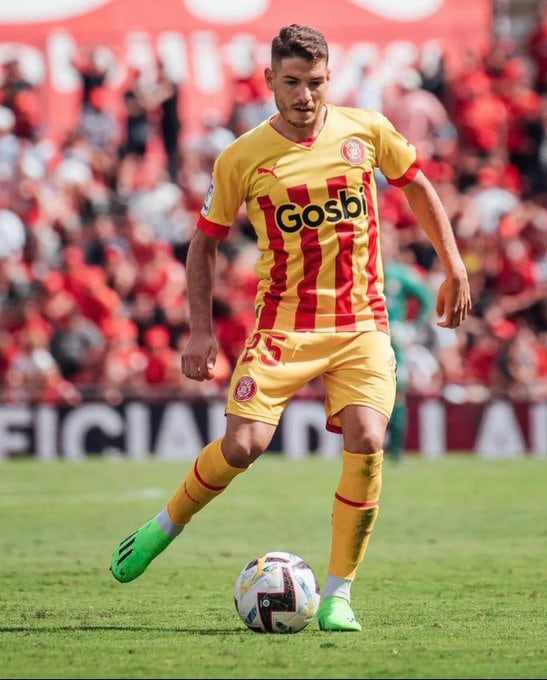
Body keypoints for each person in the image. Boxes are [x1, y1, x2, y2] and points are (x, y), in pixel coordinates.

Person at [110, 24, 471, 632]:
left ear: (331, 78)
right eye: (293, 83)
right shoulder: (242, 157)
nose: (306, 96)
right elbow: (203, 247)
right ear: (270, 81)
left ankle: (337, 596)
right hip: (282, 326)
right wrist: (201, 332)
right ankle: (163, 525)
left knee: (367, 437)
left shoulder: (367, 129)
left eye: (317, 82)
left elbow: (419, 186)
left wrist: (454, 265)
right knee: (243, 447)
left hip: (361, 322)